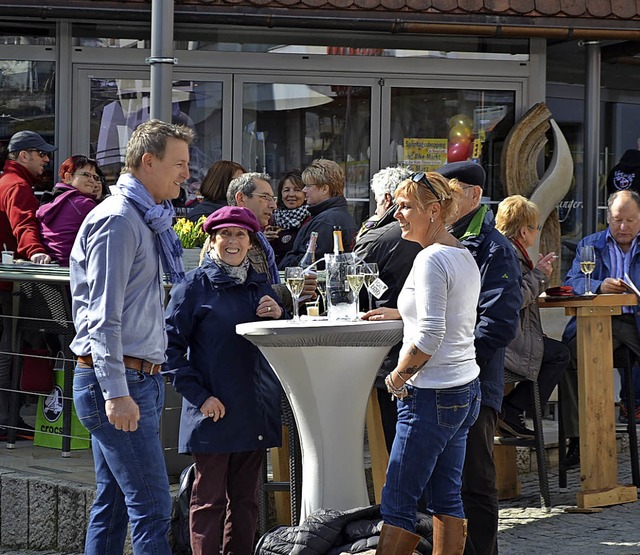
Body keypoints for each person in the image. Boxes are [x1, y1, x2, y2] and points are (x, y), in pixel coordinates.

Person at [69, 119, 194, 553]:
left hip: (137, 380)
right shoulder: (120, 220)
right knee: (153, 507)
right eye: (178, 163)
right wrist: (117, 392)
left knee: (117, 502)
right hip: (121, 382)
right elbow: (102, 318)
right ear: (148, 162)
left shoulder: (143, 217)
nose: (186, 173)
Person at [364, 172, 481, 555]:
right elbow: (452, 316)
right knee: (446, 497)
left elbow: (430, 336)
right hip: (462, 388)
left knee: (397, 502)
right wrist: (400, 314)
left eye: (406, 207)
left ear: (433, 211)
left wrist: (397, 378)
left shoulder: (431, 259)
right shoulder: (461, 253)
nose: (397, 214)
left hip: (431, 394)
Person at [165, 206, 284, 555]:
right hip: (212, 412)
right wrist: (200, 398)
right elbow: (169, 352)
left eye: (240, 235)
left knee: (247, 503)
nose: (232, 241)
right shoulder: (192, 287)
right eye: (225, 235)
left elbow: (278, 342)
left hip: (254, 410)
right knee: (209, 502)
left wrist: (280, 314)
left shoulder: (261, 287)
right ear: (213, 240)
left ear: (251, 243)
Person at [440, 160, 522, 555]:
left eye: (451, 191)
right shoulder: (437, 239)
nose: (443, 200)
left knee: (475, 479)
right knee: (437, 480)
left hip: (474, 379)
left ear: (474, 194)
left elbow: (500, 323)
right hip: (437, 379)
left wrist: (461, 363)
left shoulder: (493, 247)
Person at [560, 189, 640, 467]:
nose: (623, 227)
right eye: (617, 220)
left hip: (635, 320)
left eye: (630, 220)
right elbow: (572, 283)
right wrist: (598, 285)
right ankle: (578, 439)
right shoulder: (591, 244)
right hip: (596, 320)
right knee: (567, 356)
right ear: (608, 217)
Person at [353, 165, 419, 452]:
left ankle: (400, 495)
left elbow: (353, 266)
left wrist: (375, 221)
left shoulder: (381, 234)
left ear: (388, 198)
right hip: (416, 348)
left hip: (390, 347)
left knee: (396, 438)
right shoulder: (435, 235)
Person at [494, 195, 570, 439]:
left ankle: (510, 410)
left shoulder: (503, 249)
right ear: (524, 232)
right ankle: (512, 409)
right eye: (536, 227)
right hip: (505, 343)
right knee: (560, 354)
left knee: (553, 349)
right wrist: (539, 275)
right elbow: (514, 300)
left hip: (504, 338)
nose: (537, 232)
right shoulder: (509, 255)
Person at [0, 130, 55, 442]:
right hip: (10, 284)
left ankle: (7, 420)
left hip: (6, 278)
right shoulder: (18, 185)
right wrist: (37, 253)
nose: (46, 159)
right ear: (23, 156)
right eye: (41, 153)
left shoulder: (6, 181)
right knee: (9, 350)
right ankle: (7, 422)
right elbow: (24, 224)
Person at [278, 159, 358, 269]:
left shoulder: (325, 221)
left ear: (324, 189)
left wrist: (286, 261)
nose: (304, 190)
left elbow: (308, 263)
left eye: (308, 186)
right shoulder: (336, 215)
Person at [36, 155, 101, 266]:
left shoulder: (54, 199)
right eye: (86, 175)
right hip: (71, 270)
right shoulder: (83, 204)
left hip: (50, 268)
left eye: (95, 177)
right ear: (68, 177)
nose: (92, 181)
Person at [265, 170, 309, 265]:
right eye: (286, 190)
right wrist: (264, 240)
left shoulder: (310, 218)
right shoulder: (271, 218)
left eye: (297, 190)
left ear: (305, 193)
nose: (291, 194)